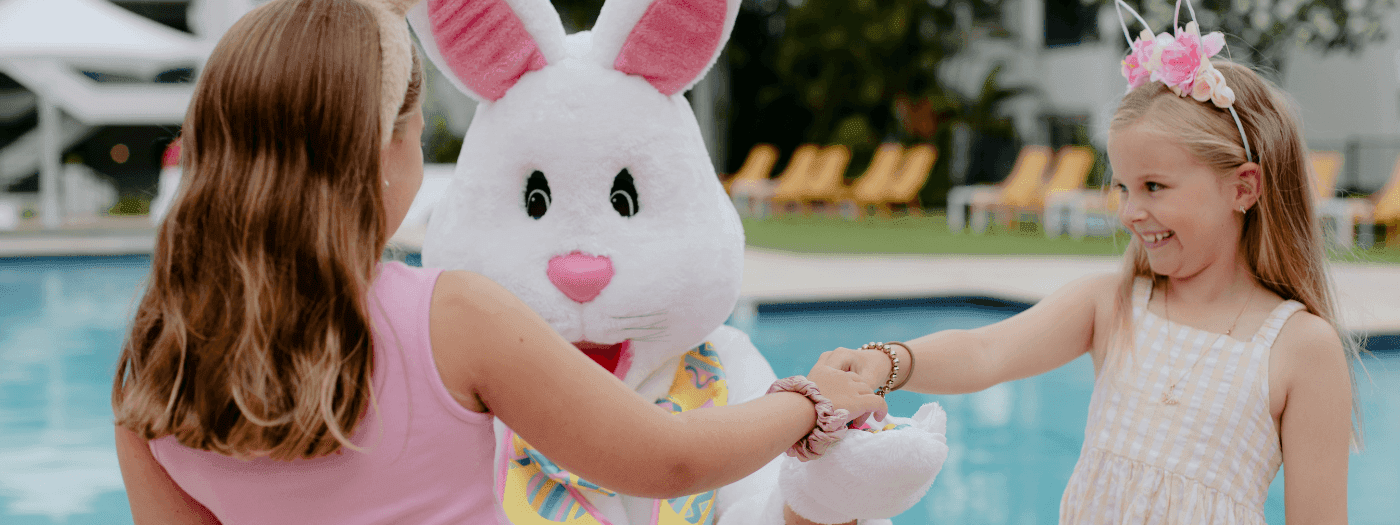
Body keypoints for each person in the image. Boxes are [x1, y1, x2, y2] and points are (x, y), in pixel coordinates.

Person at [110, 0, 885, 523]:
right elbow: (670, 459)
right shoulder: (452, 315)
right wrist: (810, 400)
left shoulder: (155, 354)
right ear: (384, 149)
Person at [829, 9, 1357, 523]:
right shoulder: (1113, 304)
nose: (1130, 212)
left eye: (1154, 186)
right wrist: (889, 361)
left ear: (1243, 187)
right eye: (1124, 188)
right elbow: (987, 351)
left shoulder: (1300, 347)